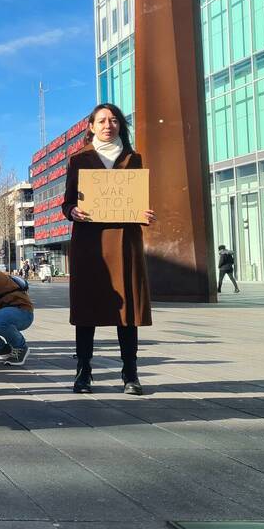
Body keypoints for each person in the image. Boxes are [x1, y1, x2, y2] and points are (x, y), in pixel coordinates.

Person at [62, 103, 155, 396]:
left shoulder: (133, 158)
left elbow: (139, 201)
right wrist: (72, 211)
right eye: (101, 120)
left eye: (113, 120)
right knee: (87, 309)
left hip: (125, 242)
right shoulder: (79, 159)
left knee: (127, 310)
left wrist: (145, 213)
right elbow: (66, 202)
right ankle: (83, 373)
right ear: (91, 126)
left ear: (120, 126)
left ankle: (130, 373)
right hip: (90, 244)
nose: (108, 125)